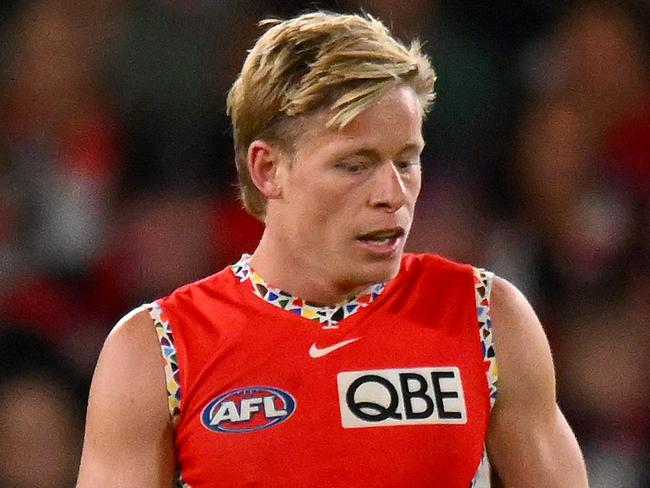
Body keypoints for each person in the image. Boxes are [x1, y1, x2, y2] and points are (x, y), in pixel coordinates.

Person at [77, 11, 588, 487]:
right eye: (354, 165)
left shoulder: (487, 319)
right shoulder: (157, 350)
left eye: (406, 162)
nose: (392, 195)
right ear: (267, 169)